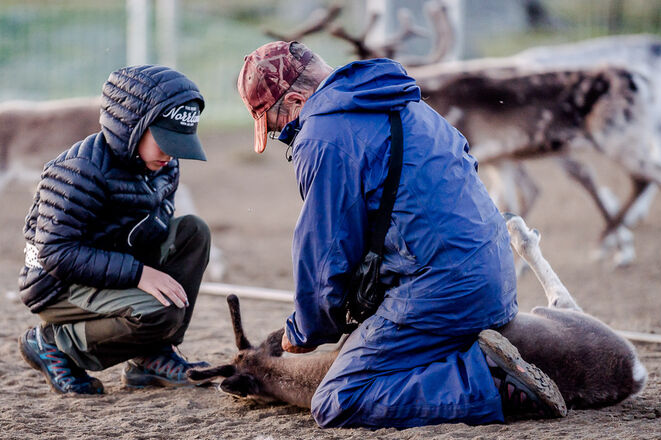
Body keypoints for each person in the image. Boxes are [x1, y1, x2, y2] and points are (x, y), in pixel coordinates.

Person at [237, 41, 567, 428]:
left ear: (295, 99)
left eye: (280, 130)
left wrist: (304, 331)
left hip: (444, 291)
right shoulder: (407, 104)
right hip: (497, 280)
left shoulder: (322, 134)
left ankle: (490, 383)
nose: (289, 137)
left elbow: (325, 253)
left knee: (336, 400)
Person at [17, 65, 211, 394]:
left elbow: (153, 228)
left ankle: (152, 357)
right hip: (58, 283)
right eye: (164, 139)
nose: (171, 151)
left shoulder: (163, 164)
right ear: (132, 126)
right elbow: (54, 252)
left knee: (193, 231)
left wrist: (147, 267)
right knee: (159, 312)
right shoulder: (79, 170)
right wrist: (138, 275)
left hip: (111, 265)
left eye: (179, 142)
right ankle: (53, 342)